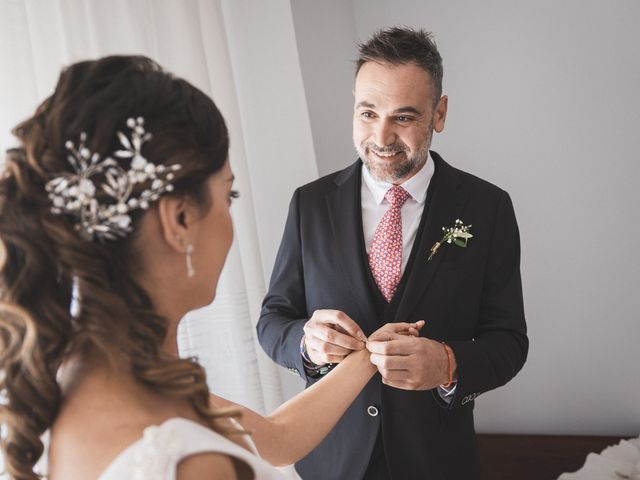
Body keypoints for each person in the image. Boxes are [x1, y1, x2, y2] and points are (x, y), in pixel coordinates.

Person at [0, 55, 423, 480]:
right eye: (228, 195)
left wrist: (368, 355)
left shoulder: (63, 382)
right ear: (180, 219)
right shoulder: (192, 464)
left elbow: (278, 436)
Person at [257, 26, 529, 480]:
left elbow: (509, 341)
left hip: (438, 463)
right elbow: (272, 319)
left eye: (403, 117)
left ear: (438, 113)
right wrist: (307, 341)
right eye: (367, 113)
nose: (381, 136)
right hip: (330, 462)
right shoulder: (310, 204)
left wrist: (448, 363)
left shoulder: (488, 208)